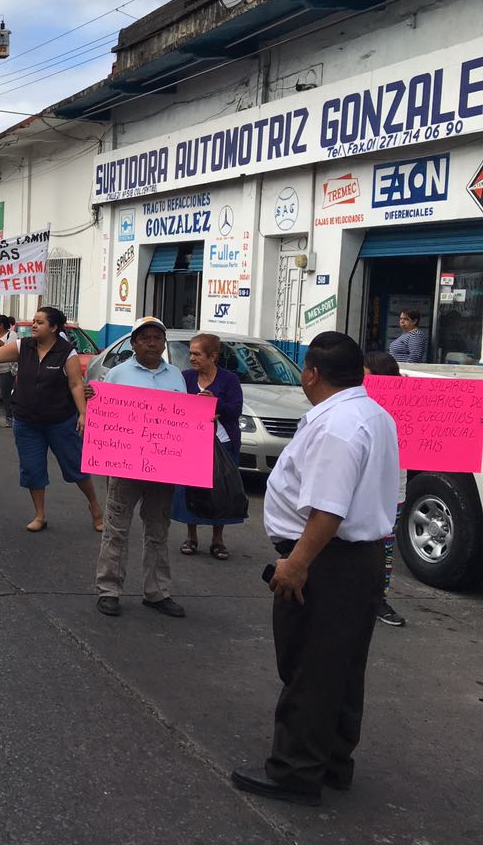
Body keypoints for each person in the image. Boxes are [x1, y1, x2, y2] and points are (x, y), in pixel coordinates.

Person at [232, 332, 397, 806]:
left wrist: (297, 564)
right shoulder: (371, 413)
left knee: (309, 664)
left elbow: (328, 510)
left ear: (312, 373)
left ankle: (295, 771)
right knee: (342, 664)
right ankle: (332, 762)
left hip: (326, 559)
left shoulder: (338, 425)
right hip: (356, 558)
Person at [0, 305, 102, 533]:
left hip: (60, 421)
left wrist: (82, 413)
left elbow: (75, 384)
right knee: (32, 470)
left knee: (75, 468)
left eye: (39, 322)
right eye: (33, 321)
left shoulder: (67, 352)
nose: (33, 325)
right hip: (27, 422)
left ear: (53, 327)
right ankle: (39, 515)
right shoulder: (25, 346)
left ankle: (95, 507)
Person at [94, 317, 187, 619]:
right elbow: (104, 415)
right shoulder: (118, 374)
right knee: (116, 529)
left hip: (163, 469)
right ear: (133, 343)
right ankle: (109, 590)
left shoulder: (176, 377)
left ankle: (157, 592)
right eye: (144, 337)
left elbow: (184, 422)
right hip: (124, 467)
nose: (151, 342)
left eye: (157, 338)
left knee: (158, 530)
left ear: (163, 344)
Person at [175, 333, 245, 560]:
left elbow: (235, 411)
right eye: (191, 353)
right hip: (192, 444)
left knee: (220, 492)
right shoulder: (184, 378)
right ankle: (191, 536)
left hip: (223, 445)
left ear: (212, 356)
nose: (192, 358)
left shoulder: (229, 380)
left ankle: (218, 539)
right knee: (190, 491)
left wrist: (214, 402)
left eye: (197, 354)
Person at [363, 351, 408, 628]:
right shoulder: (353, 404)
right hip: (361, 489)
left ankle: (378, 598)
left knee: (385, 550)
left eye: (364, 373)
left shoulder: (408, 406)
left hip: (394, 490)